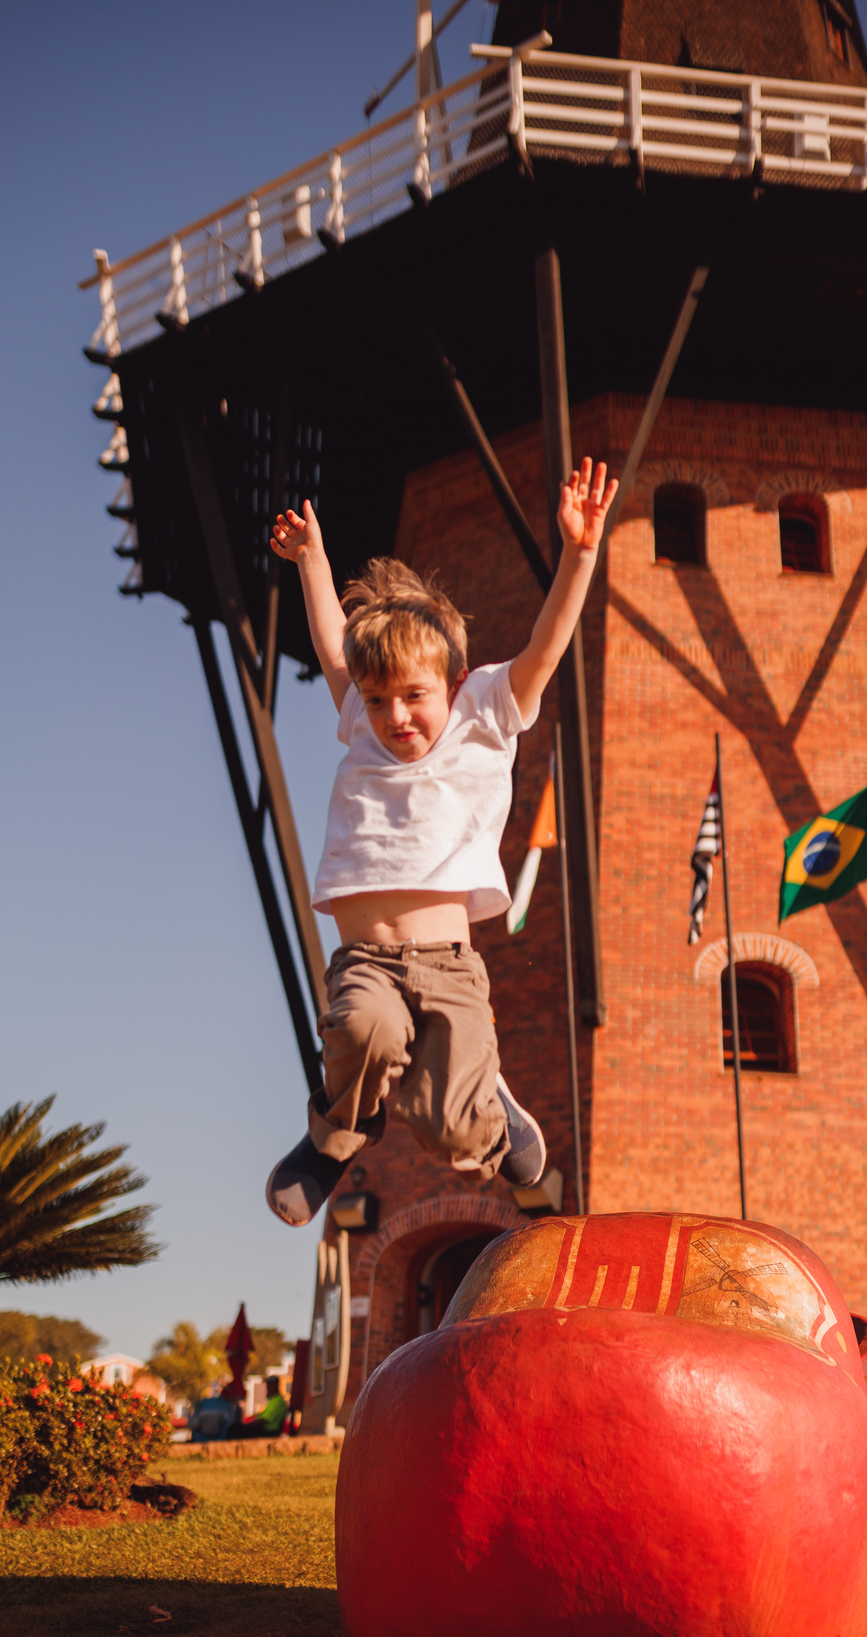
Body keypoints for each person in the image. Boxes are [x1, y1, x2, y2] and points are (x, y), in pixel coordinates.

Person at [265, 458, 619, 1225]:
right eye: (379, 698)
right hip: (365, 957)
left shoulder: (485, 710)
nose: (396, 716)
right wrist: (313, 561)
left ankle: (494, 1116)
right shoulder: (362, 717)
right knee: (363, 1027)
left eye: (414, 696)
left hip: (448, 966)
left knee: (448, 1129)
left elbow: (547, 648)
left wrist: (581, 554)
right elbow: (334, 647)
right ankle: (336, 1137)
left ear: (453, 681)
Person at [228, 1374, 288, 1439]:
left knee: (234, 1429)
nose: (268, 1388)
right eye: (267, 1385)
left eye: (270, 1385)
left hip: (268, 1432)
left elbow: (264, 1420)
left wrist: (249, 1424)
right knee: (234, 1428)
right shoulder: (273, 1400)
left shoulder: (277, 1401)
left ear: (276, 1386)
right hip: (265, 1430)